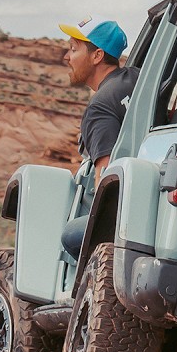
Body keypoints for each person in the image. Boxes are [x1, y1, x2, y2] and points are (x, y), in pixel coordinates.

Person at [58, 15, 136, 258]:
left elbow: (106, 179)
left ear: (97, 56)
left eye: (73, 49)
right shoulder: (138, 79)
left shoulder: (100, 106)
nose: (66, 57)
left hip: (125, 219)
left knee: (70, 236)